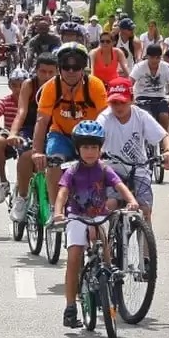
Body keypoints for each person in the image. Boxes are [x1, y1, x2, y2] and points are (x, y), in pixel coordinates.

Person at [51, 121, 138, 328]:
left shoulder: (104, 169)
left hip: (100, 216)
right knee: (73, 257)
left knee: (105, 245)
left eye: (93, 148)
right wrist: (57, 213)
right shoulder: (72, 171)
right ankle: (70, 306)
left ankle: (107, 281)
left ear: (100, 149)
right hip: (76, 217)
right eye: (85, 148)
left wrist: (132, 201)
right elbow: (62, 193)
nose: (89, 152)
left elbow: (119, 185)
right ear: (78, 149)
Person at [32, 43, 108, 217]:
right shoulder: (51, 87)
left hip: (90, 137)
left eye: (76, 67)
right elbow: (42, 120)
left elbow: (106, 119)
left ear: (84, 67)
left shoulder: (95, 85)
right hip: (61, 135)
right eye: (66, 66)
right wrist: (37, 152)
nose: (71, 71)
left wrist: (104, 148)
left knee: (100, 168)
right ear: (59, 67)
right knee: (53, 162)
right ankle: (54, 210)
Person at [97, 78, 169, 223]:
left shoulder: (141, 116)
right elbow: (96, 138)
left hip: (139, 169)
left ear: (132, 100)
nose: (118, 107)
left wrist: (168, 151)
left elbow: (164, 136)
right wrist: (98, 151)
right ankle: (106, 244)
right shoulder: (104, 118)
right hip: (112, 170)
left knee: (145, 210)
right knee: (110, 205)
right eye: (114, 103)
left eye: (122, 102)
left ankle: (147, 245)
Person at [6, 53, 59, 220]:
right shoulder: (29, 84)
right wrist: (13, 133)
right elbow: (21, 112)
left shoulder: (61, 85)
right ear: (35, 71)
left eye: (51, 72)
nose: (47, 76)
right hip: (29, 127)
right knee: (27, 155)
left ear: (57, 72)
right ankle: (22, 197)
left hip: (55, 128)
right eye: (43, 72)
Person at [0, 68, 30, 203]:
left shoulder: (34, 101)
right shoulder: (6, 101)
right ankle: (3, 182)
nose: (18, 89)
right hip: (9, 136)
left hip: (28, 137)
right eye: (14, 85)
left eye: (21, 85)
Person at [130, 44, 169, 128]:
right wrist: (131, 99)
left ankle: (165, 138)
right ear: (147, 56)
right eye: (152, 57)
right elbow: (129, 84)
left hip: (160, 98)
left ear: (160, 57)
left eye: (157, 58)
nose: (154, 60)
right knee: (148, 117)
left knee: (164, 116)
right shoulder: (139, 67)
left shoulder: (166, 66)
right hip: (142, 97)